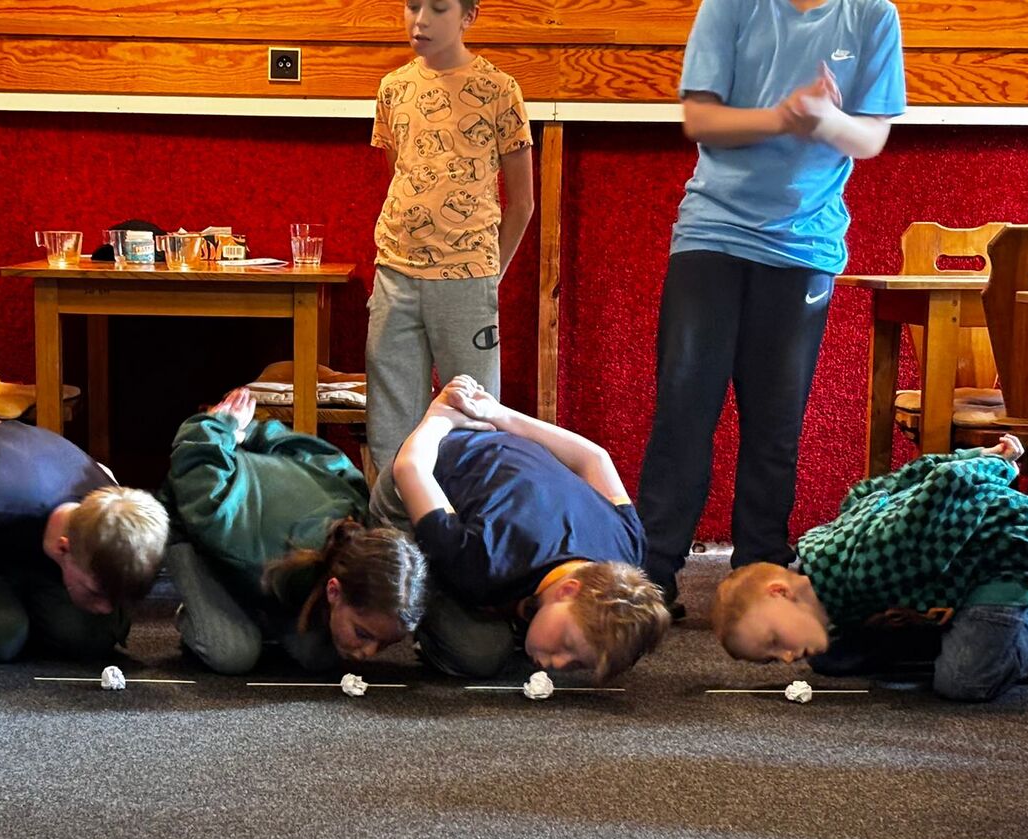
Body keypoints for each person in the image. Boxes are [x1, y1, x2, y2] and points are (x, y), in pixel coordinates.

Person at [636, 0, 906, 618]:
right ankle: (653, 575)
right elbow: (701, 119)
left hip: (803, 247)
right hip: (711, 234)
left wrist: (826, 119)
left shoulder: (873, 15)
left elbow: (871, 137)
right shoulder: (729, 7)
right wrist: (785, 116)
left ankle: (759, 572)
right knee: (683, 411)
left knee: (775, 423)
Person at [710, 436, 1028, 702]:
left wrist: (997, 461)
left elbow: (950, 480)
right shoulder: (825, 570)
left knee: (964, 682)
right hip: (945, 571)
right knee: (829, 657)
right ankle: (982, 636)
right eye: (774, 660)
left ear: (780, 592)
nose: (789, 658)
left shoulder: (872, 558)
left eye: (775, 641)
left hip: (1003, 551)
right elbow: (878, 488)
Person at [372, 376, 672, 682]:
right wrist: (443, 418)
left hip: (502, 456)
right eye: (567, 645)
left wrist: (499, 414)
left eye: (578, 664)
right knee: (480, 653)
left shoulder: (629, 546)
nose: (556, 663)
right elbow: (410, 468)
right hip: (418, 472)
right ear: (568, 590)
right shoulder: (483, 562)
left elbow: (595, 459)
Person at [364, 0, 534, 471]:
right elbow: (401, 176)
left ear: (468, 16)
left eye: (438, 8)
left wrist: (488, 276)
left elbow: (523, 202)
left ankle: (466, 514)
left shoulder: (499, 89)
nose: (420, 20)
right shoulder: (393, 87)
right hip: (395, 274)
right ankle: (395, 516)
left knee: (474, 416)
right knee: (389, 423)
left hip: (467, 279)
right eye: (412, 5)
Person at [164, 387, 427, 674]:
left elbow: (312, 452)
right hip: (192, 522)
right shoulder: (247, 544)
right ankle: (204, 612)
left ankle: (254, 611)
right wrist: (224, 427)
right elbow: (194, 467)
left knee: (320, 657)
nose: (368, 653)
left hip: (271, 556)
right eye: (363, 634)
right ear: (334, 590)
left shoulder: (355, 507)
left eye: (384, 644)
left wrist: (250, 434)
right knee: (232, 653)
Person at [0, 406, 168, 663]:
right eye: (95, 592)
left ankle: (25, 617)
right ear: (63, 547)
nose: (106, 607)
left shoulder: (105, 492)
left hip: (31, 559)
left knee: (94, 635)